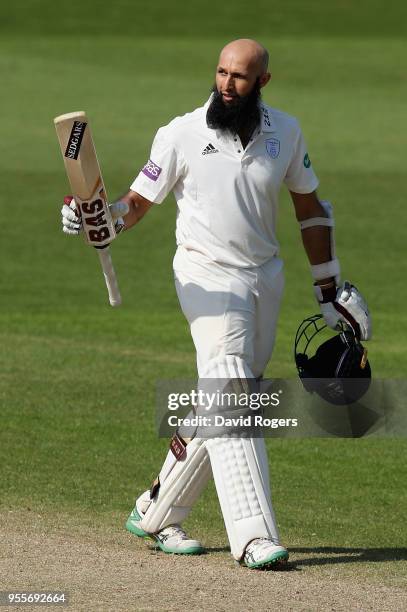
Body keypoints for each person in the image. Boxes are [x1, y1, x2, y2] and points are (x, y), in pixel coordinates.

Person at [61, 39, 371, 569]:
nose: (227, 85)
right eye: (222, 73)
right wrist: (99, 219)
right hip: (205, 274)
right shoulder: (182, 132)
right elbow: (136, 202)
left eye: (240, 77)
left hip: (263, 278)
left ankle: (157, 508)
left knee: (228, 398)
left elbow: (311, 211)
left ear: (263, 83)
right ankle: (253, 535)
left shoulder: (286, 133)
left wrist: (329, 291)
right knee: (228, 382)